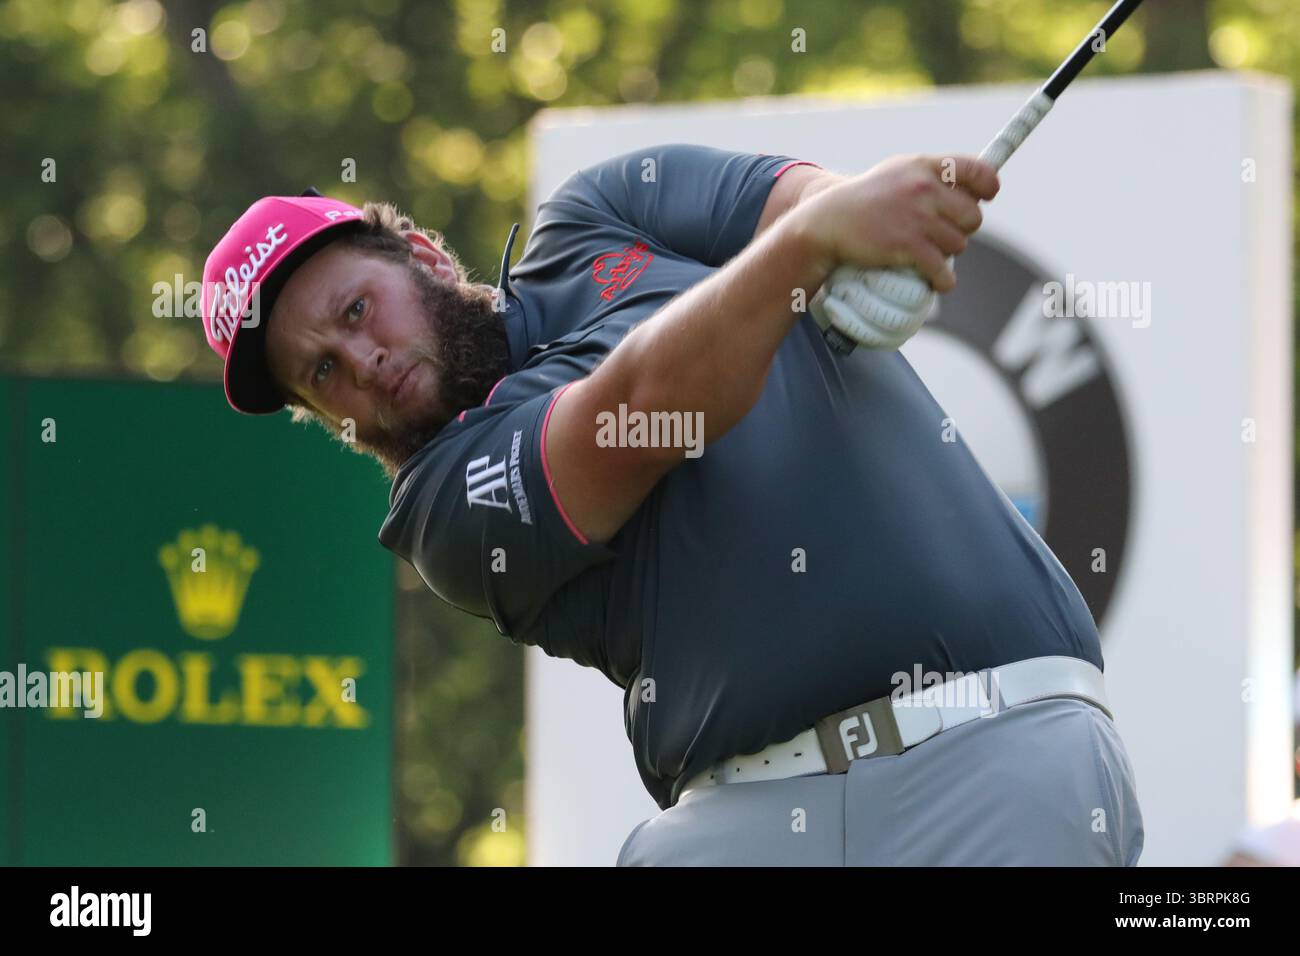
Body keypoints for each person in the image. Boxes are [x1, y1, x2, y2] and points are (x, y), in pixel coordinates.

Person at [200, 143, 1144, 865]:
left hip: (996, 759)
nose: (362, 361)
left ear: (417, 254)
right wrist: (808, 251)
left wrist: (850, 225)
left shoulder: (601, 212)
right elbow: (651, 414)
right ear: (326, 416)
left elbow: (803, 200)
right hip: (746, 822)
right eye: (322, 370)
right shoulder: (445, 516)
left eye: (358, 310)